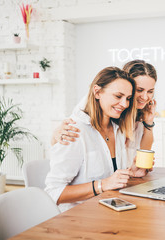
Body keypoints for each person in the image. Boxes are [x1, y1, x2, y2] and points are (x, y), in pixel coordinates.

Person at [45, 67, 139, 212]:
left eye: (128, 99)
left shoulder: (117, 130)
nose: (125, 104)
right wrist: (101, 185)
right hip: (79, 219)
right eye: (118, 96)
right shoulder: (74, 131)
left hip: (108, 213)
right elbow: (53, 193)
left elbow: (112, 178)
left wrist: (131, 172)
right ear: (97, 92)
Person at [51, 60, 157, 163]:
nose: (145, 97)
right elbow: (67, 137)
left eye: (150, 91)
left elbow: (143, 153)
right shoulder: (102, 104)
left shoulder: (141, 109)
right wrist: (57, 133)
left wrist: (149, 122)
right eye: (139, 90)